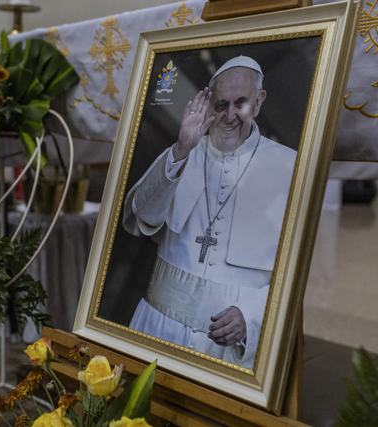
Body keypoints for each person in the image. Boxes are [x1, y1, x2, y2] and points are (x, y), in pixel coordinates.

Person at [122, 56, 296, 368]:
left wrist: (251, 316)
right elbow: (143, 216)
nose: (229, 115)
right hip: (158, 328)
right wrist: (180, 150)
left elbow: (297, 271)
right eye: (221, 105)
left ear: (258, 102)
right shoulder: (184, 150)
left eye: (241, 103)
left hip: (228, 348)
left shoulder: (290, 167)